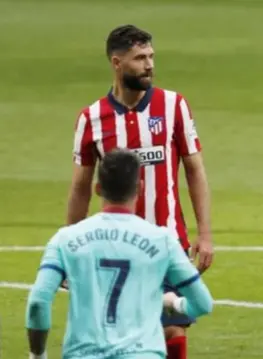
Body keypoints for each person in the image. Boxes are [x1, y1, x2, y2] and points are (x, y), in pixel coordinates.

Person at [65, 24, 214, 359]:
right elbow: (80, 188)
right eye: (139, 58)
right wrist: (71, 245)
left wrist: (204, 233)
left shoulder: (174, 105)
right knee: (121, 337)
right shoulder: (91, 119)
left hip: (167, 241)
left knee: (172, 326)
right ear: (117, 63)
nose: (149, 65)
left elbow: (195, 169)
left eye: (151, 56)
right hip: (114, 247)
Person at [26, 149, 214, 359]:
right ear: (139, 188)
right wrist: (173, 302)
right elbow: (203, 304)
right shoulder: (162, 240)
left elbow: (38, 302)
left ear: (98, 188)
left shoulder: (66, 239)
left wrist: (38, 355)